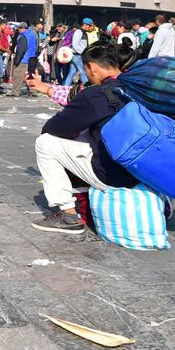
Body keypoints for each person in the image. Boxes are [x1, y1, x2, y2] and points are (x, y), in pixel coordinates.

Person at [26, 43, 140, 234]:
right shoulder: (137, 88)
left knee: (45, 143)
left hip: (112, 175)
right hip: (143, 172)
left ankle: (69, 215)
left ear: (93, 68)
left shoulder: (95, 94)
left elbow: (53, 129)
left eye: (86, 70)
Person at [10, 23, 38, 95]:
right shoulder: (33, 35)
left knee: (18, 76)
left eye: (19, 28)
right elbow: (37, 46)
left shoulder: (23, 37)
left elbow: (21, 50)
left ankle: (15, 92)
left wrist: (17, 61)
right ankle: (33, 91)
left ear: (23, 28)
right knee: (30, 76)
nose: (18, 30)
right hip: (32, 58)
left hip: (24, 59)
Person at [63, 18, 92, 86]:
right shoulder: (79, 32)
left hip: (77, 55)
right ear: (85, 25)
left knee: (72, 72)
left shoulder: (83, 33)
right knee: (83, 72)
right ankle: (86, 88)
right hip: (77, 55)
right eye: (89, 25)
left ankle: (65, 87)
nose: (90, 27)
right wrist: (82, 52)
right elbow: (74, 44)